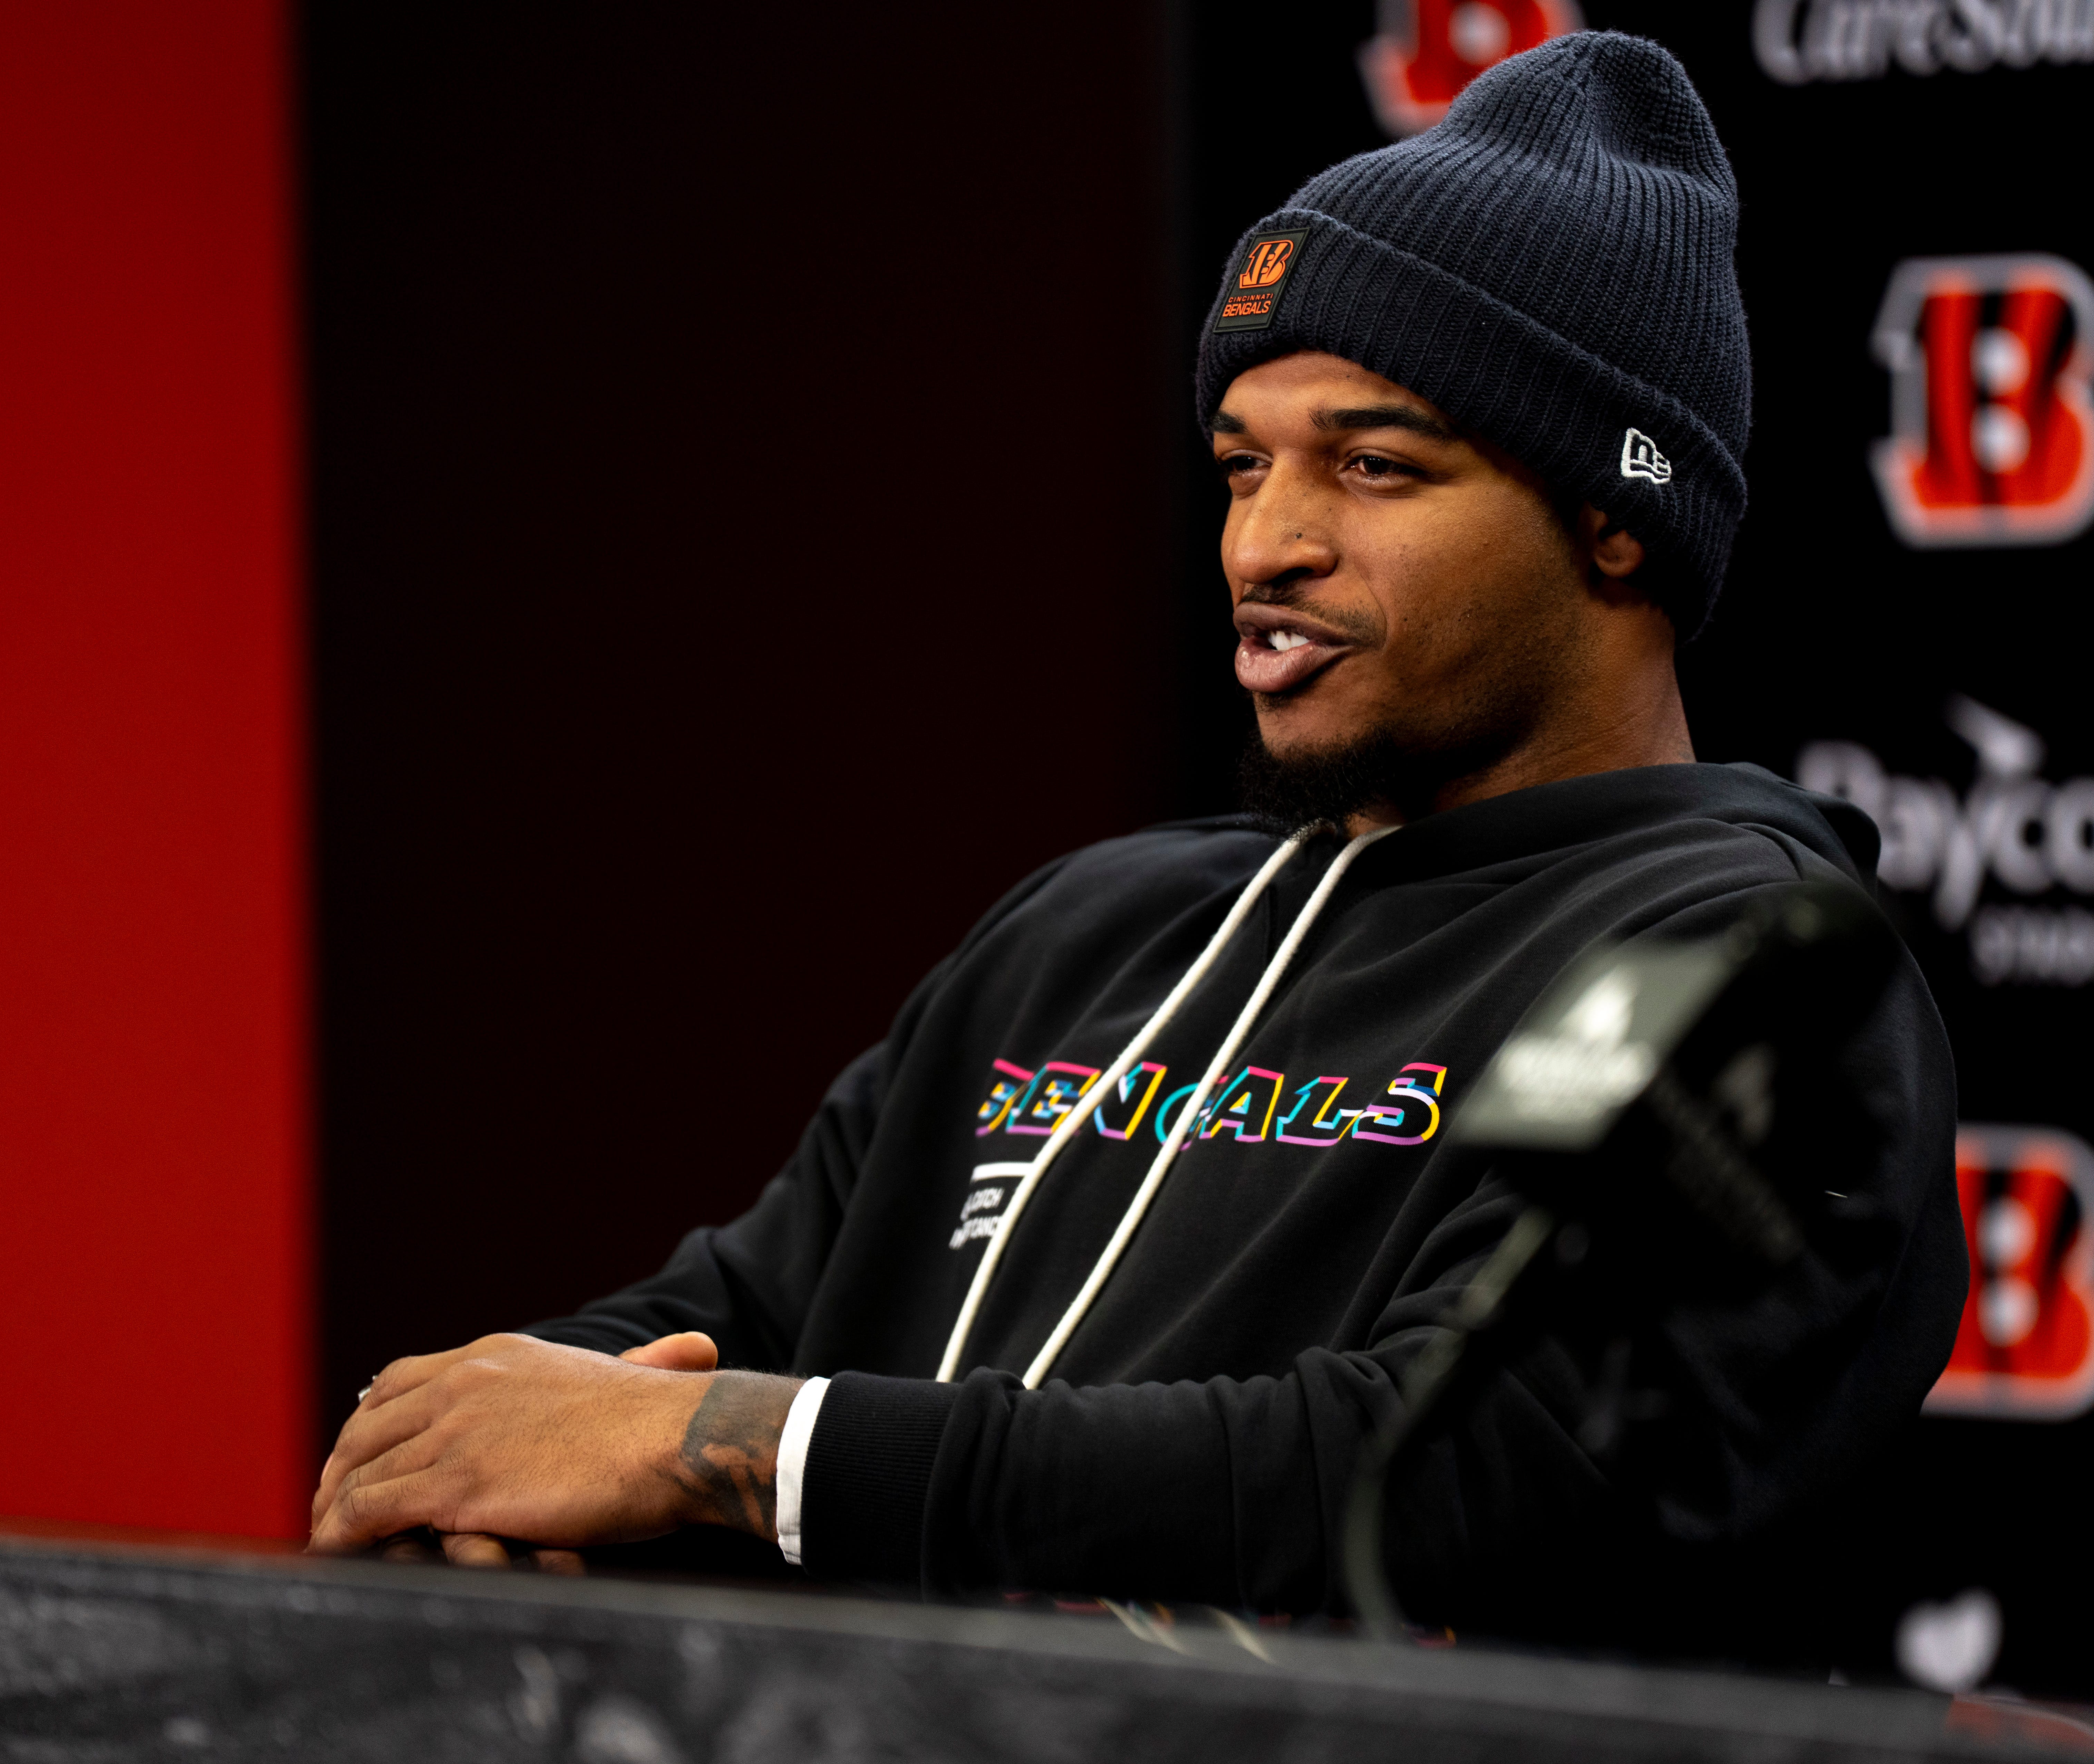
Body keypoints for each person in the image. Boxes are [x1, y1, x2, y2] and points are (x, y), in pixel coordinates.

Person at [310, 32, 1965, 1642]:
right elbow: (737, 1312)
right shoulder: (1098, 926)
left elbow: (1424, 1466)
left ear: (1620, 516)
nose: (1270, 542)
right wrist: (473, 1438)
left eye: (1373, 465)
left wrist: (727, 1451)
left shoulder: (1716, 962)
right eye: (1242, 464)